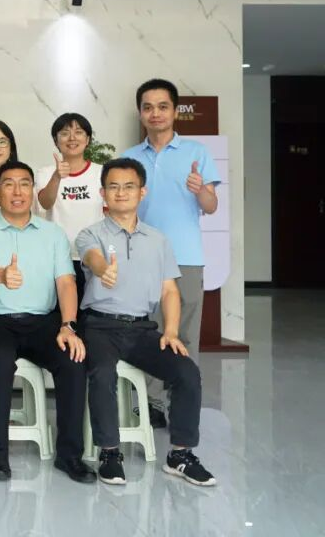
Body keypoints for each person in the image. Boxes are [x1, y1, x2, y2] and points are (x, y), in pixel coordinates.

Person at [77, 158, 216, 487]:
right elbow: (91, 257)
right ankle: (110, 453)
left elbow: (169, 291)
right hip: (99, 326)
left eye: (129, 186)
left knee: (186, 371)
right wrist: (103, 269)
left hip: (142, 328)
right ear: (103, 193)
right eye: (113, 186)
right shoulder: (90, 234)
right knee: (102, 374)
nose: (121, 192)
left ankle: (180, 454)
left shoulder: (158, 240)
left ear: (142, 192)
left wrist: (171, 331)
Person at [0, 161, 95, 484]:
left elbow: (66, 283)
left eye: (24, 183)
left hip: (43, 323)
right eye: (8, 184)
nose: (17, 191)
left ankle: (69, 455)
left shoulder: (53, 234)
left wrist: (68, 325)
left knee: (72, 360)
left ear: (33, 191)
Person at [122, 78, 220, 427]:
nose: (155, 113)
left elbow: (211, 205)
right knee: (148, 331)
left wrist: (200, 189)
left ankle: (182, 398)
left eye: (162, 106)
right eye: (148, 107)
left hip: (186, 257)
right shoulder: (129, 158)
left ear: (175, 111)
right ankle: (149, 403)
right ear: (140, 113)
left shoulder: (196, 153)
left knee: (185, 332)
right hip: (141, 258)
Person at [34, 113, 105, 298]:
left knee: (91, 310)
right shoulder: (45, 172)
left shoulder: (102, 172)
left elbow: (111, 213)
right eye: (65, 133)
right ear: (56, 141)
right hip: (59, 258)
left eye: (79, 132)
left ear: (87, 139)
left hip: (94, 256)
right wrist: (57, 177)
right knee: (61, 311)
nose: (72, 138)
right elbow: (45, 203)